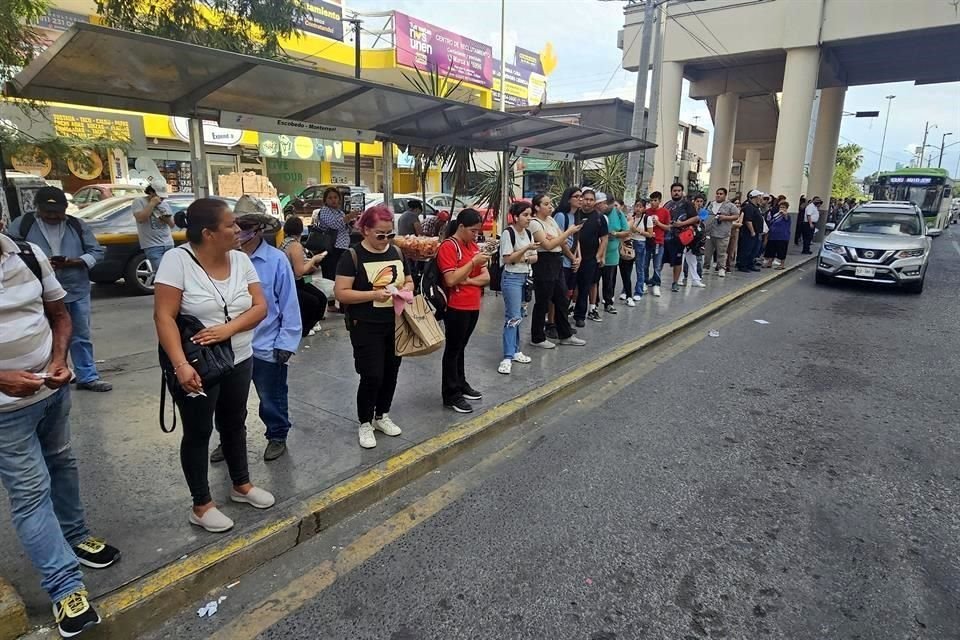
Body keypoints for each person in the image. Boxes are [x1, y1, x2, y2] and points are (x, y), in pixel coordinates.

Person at [0, 232, 121, 637]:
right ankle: (65, 587)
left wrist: (58, 359)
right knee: (31, 493)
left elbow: (60, 315)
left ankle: (76, 535)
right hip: (4, 414)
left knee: (63, 464)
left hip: (51, 394)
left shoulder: (28, 254)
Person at [154, 198, 274, 534]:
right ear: (208, 233)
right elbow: (163, 316)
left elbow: (260, 306)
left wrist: (228, 329)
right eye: (230, 225)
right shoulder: (176, 261)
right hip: (196, 363)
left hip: (239, 355)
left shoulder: (240, 260)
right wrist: (180, 365)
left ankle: (241, 485)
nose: (238, 230)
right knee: (198, 432)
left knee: (234, 422)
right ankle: (202, 505)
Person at [8, 187, 111, 392]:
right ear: (38, 208)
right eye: (47, 211)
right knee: (44, 334)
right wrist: (38, 264)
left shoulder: (76, 224)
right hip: (40, 291)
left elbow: (97, 251)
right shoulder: (23, 224)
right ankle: (49, 375)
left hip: (75, 288)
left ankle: (87, 376)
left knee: (80, 335)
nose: (52, 215)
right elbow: (11, 251)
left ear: (65, 208)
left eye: (57, 211)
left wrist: (76, 261)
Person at [334, 205, 412, 448]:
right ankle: (365, 422)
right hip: (365, 325)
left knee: (391, 371)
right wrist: (372, 295)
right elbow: (341, 293)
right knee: (371, 374)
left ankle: (382, 415)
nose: (386, 239)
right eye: (380, 234)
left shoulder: (397, 253)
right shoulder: (352, 256)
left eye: (390, 234)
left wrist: (406, 290)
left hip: (395, 322)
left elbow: (409, 280)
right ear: (366, 230)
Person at [237, 210, 301, 462]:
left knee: (270, 397)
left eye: (245, 226)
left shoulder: (276, 260)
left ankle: (277, 436)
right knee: (229, 402)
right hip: (231, 346)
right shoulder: (227, 259)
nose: (239, 231)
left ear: (259, 229)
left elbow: (288, 303)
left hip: (266, 343)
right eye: (236, 225)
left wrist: (286, 342)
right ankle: (228, 438)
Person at [437, 209, 490, 413]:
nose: (475, 235)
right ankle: (451, 393)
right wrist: (472, 265)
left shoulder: (473, 245)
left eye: (478, 231)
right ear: (461, 227)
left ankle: (461, 382)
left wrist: (468, 279)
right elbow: (451, 279)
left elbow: (486, 277)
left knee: (461, 347)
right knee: (453, 348)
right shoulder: (449, 247)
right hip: (456, 305)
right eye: (473, 231)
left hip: (473, 303)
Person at [528, 193, 584, 349]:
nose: (550, 206)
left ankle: (565, 334)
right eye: (546, 204)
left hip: (557, 260)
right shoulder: (534, 223)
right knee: (543, 301)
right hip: (544, 262)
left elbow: (561, 241)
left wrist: (571, 254)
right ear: (537, 207)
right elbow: (547, 245)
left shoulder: (551, 220)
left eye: (550, 203)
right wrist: (567, 233)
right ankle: (537, 337)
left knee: (562, 297)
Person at [497, 202, 538, 374]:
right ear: (516, 217)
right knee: (512, 317)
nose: (529, 218)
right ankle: (507, 356)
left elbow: (535, 258)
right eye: (525, 215)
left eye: (530, 215)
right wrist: (526, 250)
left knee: (519, 316)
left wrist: (523, 257)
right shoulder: (508, 233)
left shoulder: (528, 233)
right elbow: (507, 259)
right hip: (511, 278)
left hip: (525, 277)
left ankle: (516, 350)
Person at [279, 216, 326, 337]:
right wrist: (314, 259)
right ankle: (305, 328)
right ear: (301, 230)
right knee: (315, 301)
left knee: (319, 297)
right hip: (293, 283)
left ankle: (309, 325)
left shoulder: (285, 242)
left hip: (291, 281)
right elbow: (300, 271)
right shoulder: (295, 246)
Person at [572, 189, 607, 326]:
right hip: (573, 257)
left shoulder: (599, 218)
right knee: (570, 286)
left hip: (590, 259)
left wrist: (599, 256)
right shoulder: (575, 215)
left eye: (591, 200)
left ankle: (580, 316)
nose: (588, 202)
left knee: (585, 287)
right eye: (585, 199)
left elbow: (604, 239)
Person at [551, 187, 582, 337]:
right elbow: (560, 239)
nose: (580, 199)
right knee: (558, 295)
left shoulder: (576, 216)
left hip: (571, 260)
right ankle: (551, 323)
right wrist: (571, 256)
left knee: (567, 293)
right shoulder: (561, 216)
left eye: (581, 196)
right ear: (568, 198)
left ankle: (561, 323)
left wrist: (578, 257)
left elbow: (576, 238)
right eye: (577, 196)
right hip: (561, 260)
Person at [312, 187, 358, 282]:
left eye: (335, 197)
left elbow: (345, 229)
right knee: (331, 274)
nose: (333, 200)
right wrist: (348, 217)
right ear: (325, 200)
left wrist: (350, 224)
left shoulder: (340, 212)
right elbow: (334, 225)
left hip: (342, 247)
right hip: (332, 247)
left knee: (340, 273)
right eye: (330, 198)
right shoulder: (325, 211)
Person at [131, 179, 175, 271]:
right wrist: (152, 204)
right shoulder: (139, 202)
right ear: (151, 192)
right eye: (159, 196)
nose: (161, 199)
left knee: (172, 272)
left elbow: (172, 224)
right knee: (161, 273)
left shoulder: (164, 204)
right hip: (152, 245)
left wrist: (165, 217)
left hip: (168, 243)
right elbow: (141, 219)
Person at [663, 183, 698, 293]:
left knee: (677, 261)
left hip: (679, 238)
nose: (676, 192)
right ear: (671, 192)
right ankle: (655, 280)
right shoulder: (667, 204)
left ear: (682, 192)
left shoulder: (688, 204)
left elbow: (696, 218)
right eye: (674, 190)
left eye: (679, 190)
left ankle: (675, 282)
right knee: (659, 260)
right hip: (665, 237)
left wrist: (682, 223)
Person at [602, 196, 631, 312]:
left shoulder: (618, 214)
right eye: (607, 204)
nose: (609, 207)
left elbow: (627, 232)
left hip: (612, 252)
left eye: (612, 205)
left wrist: (615, 234)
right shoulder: (597, 213)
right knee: (593, 282)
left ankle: (608, 303)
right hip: (597, 251)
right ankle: (593, 305)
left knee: (609, 280)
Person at [704, 187, 738, 277]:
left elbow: (736, 216)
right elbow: (704, 214)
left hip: (722, 233)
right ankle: (706, 267)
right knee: (707, 252)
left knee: (721, 252)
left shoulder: (730, 205)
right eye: (717, 193)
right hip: (709, 232)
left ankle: (721, 268)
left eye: (721, 194)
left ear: (725, 195)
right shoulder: (710, 204)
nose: (718, 195)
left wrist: (725, 218)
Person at [679, 193, 708, 288]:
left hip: (695, 238)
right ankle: (680, 278)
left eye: (701, 201)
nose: (699, 203)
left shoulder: (703, 212)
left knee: (693, 259)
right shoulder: (687, 210)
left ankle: (695, 279)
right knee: (682, 259)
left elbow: (698, 220)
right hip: (685, 235)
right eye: (697, 201)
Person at [645, 191, 670, 297]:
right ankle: (644, 282)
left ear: (659, 201)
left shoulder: (665, 212)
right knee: (644, 264)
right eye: (651, 200)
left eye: (655, 200)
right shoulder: (646, 211)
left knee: (657, 265)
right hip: (647, 241)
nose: (653, 202)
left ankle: (656, 284)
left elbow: (668, 228)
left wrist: (658, 223)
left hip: (659, 242)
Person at [737, 190, 764, 272]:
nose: (761, 198)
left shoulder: (756, 207)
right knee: (747, 249)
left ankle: (750, 264)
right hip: (748, 233)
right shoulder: (749, 207)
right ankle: (742, 265)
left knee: (753, 250)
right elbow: (748, 221)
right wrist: (752, 231)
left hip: (756, 233)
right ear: (755, 197)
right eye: (760, 196)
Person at [764, 200, 792, 269]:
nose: (782, 209)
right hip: (773, 236)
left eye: (783, 207)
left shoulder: (787, 216)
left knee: (781, 251)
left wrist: (783, 213)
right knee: (771, 250)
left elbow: (786, 217)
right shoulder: (776, 215)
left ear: (786, 208)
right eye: (780, 207)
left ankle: (782, 265)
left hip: (782, 237)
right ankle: (769, 263)